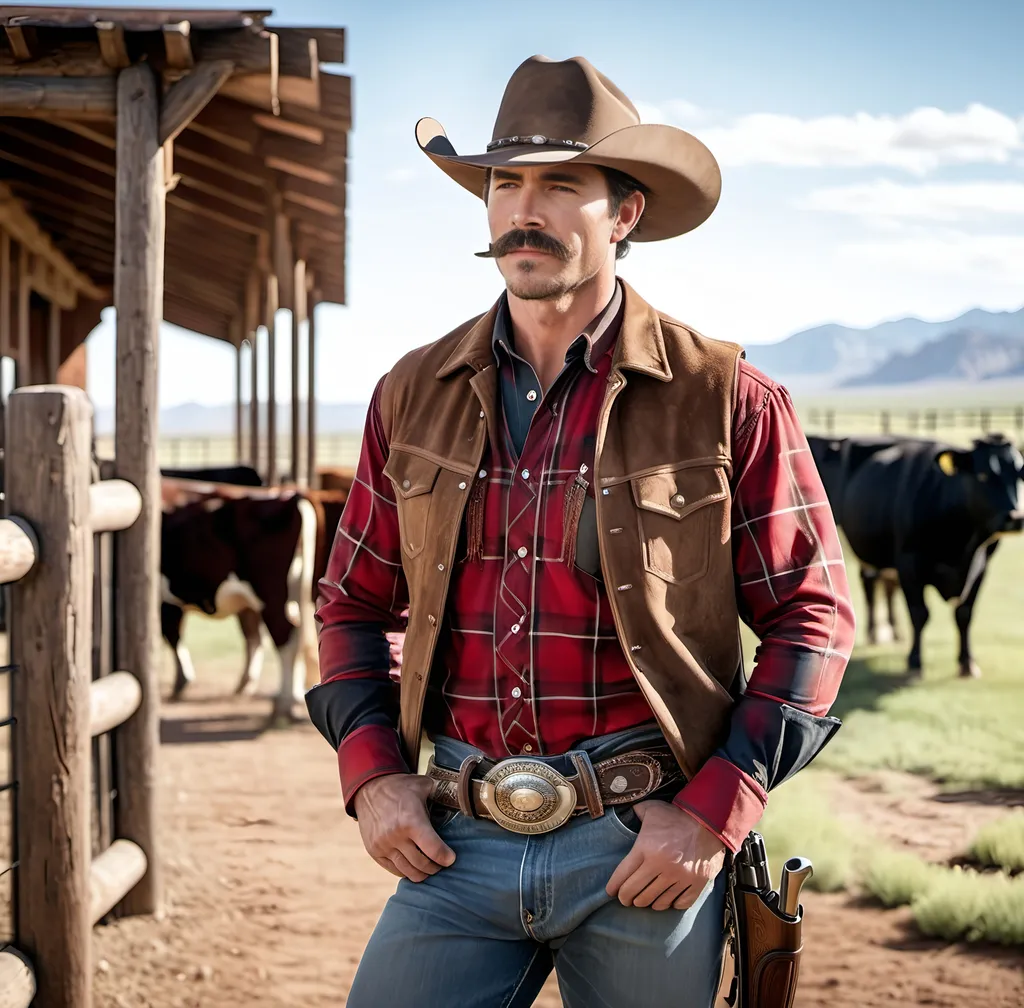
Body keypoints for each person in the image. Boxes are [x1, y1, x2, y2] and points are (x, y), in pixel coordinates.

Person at [308, 55, 855, 1008]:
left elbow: (814, 617)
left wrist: (716, 811)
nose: (527, 209)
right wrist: (374, 778)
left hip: (645, 844)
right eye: (506, 182)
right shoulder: (409, 395)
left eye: (562, 184)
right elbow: (352, 601)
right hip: (455, 843)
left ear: (626, 213)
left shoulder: (725, 398)